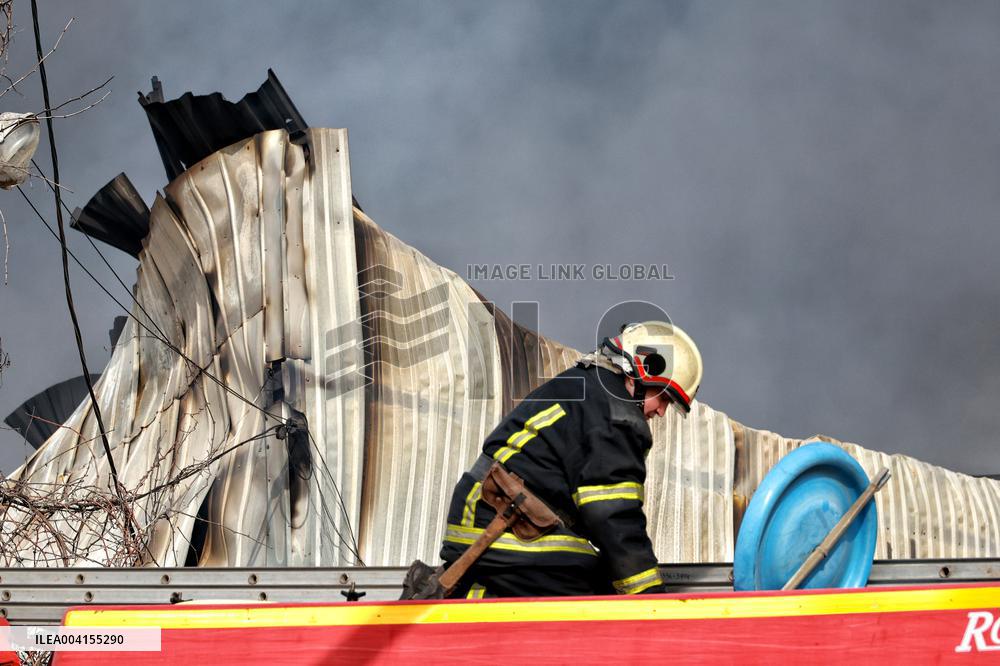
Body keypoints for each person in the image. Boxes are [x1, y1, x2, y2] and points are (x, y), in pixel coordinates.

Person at [439, 320, 703, 598]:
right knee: (592, 598)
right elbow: (613, 514)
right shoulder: (616, 414)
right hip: (501, 530)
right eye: (664, 397)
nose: (661, 412)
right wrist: (649, 599)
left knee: (597, 576)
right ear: (642, 371)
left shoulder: (587, 387)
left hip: (493, 523)